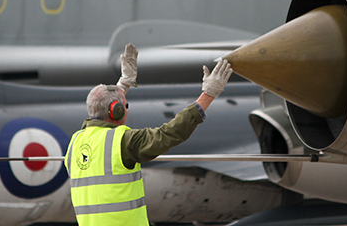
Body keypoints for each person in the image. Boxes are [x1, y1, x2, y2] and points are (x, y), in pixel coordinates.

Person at [64, 43, 233, 226]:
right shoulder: (123, 142)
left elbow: (104, 107)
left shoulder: (75, 144)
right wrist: (208, 95)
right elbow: (169, 134)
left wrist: (123, 83)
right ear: (117, 111)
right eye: (125, 106)